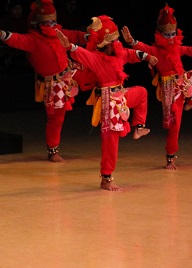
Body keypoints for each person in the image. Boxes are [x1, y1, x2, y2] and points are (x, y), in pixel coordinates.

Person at [57, 15, 157, 191]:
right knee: (111, 143)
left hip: (121, 95)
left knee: (141, 92)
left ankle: (139, 126)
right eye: (114, 40)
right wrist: (68, 46)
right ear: (106, 44)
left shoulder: (119, 53)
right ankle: (106, 178)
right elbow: (82, 53)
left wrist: (148, 57)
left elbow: (132, 54)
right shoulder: (96, 59)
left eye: (117, 40)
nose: (117, 43)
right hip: (108, 102)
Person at [0, 0, 87, 163]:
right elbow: (17, 40)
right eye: (47, 23)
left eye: (52, 22)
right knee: (56, 118)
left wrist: (93, 37)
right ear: (39, 23)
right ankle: (52, 150)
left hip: (70, 74)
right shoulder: (33, 39)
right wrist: (1, 35)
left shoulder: (59, 33)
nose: (50, 26)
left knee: (99, 69)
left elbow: (76, 35)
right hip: (53, 84)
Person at [121, 4, 192, 169]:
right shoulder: (155, 50)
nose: (171, 37)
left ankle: (190, 99)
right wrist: (131, 41)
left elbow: (190, 50)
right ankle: (170, 158)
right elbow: (142, 47)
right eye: (167, 34)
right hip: (170, 91)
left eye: (173, 34)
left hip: (183, 82)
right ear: (160, 35)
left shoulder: (177, 48)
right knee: (175, 125)